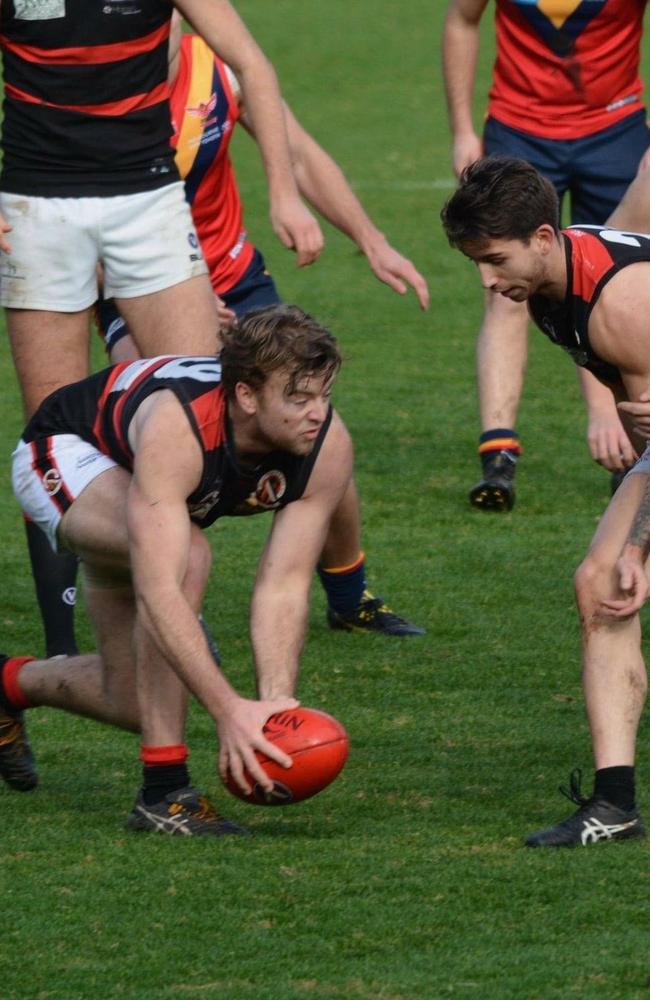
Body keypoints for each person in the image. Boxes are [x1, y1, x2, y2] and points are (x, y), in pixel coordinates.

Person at [0, 0, 324, 659]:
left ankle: (169, 614)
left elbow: (251, 63)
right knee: (56, 446)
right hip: (36, 209)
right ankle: (62, 651)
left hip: (146, 203)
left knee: (205, 412)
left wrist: (284, 193)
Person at [94, 18, 429, 639]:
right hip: (133, 288)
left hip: (238, 279)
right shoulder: (94, 88)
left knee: (320, 433)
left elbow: (298, 153)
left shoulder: (216, 67)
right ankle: (170, 605)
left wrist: (372, 241)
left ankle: (350, 596)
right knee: (169, 440)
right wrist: (180, 305)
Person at [0, 305, 355, 836]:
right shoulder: (181, 423)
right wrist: (230, 712)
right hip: (65, 453)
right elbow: (160, 587)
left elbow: (284, 583)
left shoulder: (326, 444)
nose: (316, 413)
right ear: (246, 396)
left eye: (323, 395)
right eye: (298, 398)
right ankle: (163, 793)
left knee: (133, 701)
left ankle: (6, 684)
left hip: (140, 485)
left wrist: (275, 706)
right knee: (187, 557)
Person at [440, 155, 650, 847]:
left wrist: (642, 544)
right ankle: (614, 804)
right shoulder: (548, 283)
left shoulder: (620, 305)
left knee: (620, 569)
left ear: (540, 236)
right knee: (600, 584)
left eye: (494, 259)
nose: (487, 279)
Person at [442, 0, 650, 511]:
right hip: (519, 129)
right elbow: (462, 18)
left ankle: (623, 441)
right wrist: (463, 128)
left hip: (615, 127)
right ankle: (498, 450)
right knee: (514, 284)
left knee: (608, 285)